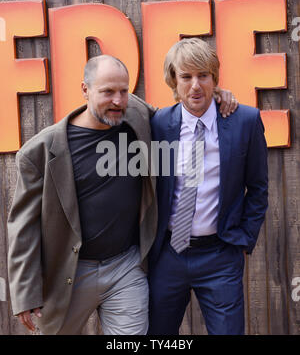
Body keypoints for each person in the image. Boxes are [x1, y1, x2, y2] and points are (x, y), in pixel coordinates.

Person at [7, 54, 237, 335]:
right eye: (107, 92)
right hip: (70, 273)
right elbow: (23, 228)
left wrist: (217, 96)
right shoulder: (39, 152)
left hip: (125, 268)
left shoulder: (136, 115)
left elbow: (179, 115)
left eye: (123, 91)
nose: (117, 101)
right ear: (85, 90)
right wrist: (25, 293)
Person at [148, 38, 268, 335]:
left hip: (220, 256)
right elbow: (118, 102)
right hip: (169, 254)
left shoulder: (245, 121)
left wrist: (243, 240)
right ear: (173, 81)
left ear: (215, 77)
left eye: (203, 75)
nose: (195, 86)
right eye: (186, 77)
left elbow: (258, 188)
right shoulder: (158, 124)